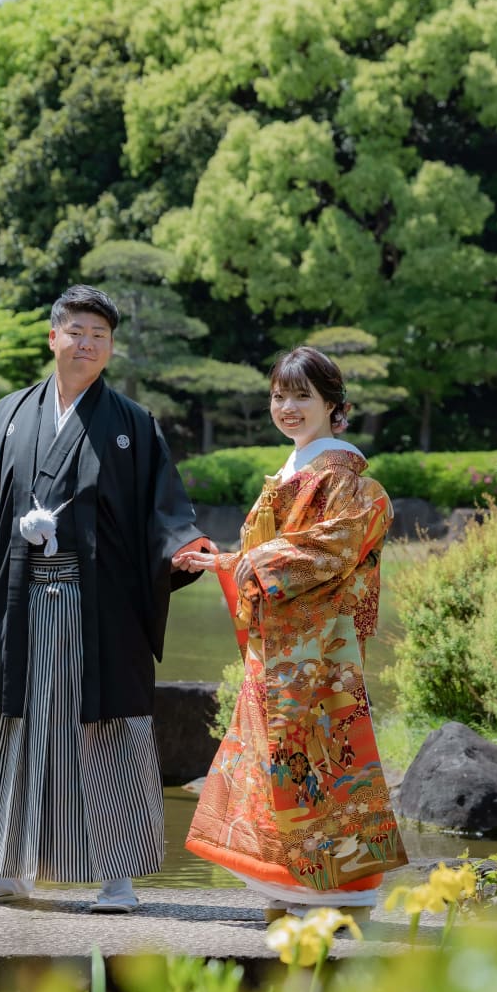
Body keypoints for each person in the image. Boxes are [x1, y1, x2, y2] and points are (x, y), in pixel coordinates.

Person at [0, 284, 211, 913]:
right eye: (75, 331)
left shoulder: (133, 424)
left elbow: (165, 515)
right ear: (53, 337)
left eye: (99, 336)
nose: (86, 343)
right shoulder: (6, 416)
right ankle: (7, 870)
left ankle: (118, 878)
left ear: (110, 349)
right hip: (21, 601)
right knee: (17, 727)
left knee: (106, 728)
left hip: (102, 606)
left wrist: (185, 549)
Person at [175, 346, 407, 924]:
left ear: (335, 406)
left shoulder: (348, 480)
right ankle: (287, 879)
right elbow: (267, 554)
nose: (288, 407)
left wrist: (250, 563)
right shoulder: (292, 469)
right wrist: (227, 562)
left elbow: (332, 548)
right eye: (280, 396)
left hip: (318, 650)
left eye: (302, 395)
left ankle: (338, 886)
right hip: (279, 644)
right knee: (275, 756)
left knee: (319, 755)